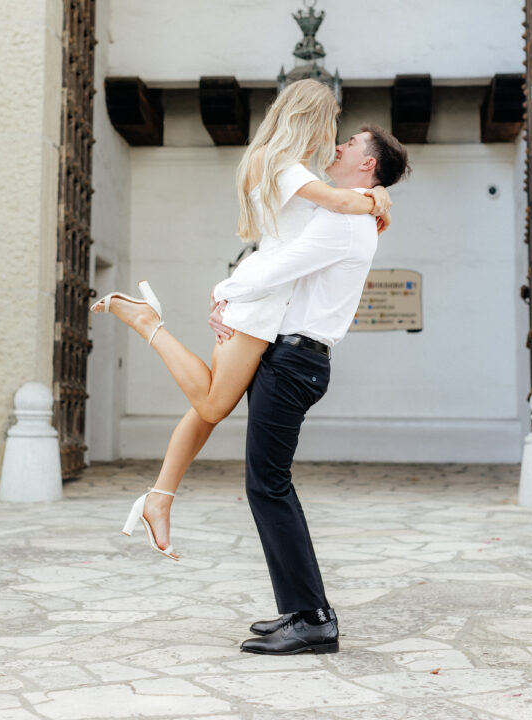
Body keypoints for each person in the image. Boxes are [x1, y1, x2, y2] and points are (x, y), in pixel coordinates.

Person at [90, 80, 391, 559]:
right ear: (310, 120)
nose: (331, 140)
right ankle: (148, 322)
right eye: (330, 127)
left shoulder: (269, 161)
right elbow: (339, 202)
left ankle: (159, 499)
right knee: (211, 405)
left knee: (209, 408)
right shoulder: (284, 166)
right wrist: (378, 199)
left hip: (261, 296)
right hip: (262, 301)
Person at [208, 125, 411, 654]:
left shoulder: (345, 225)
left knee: (268, 484)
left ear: (368, 165)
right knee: (268, 483)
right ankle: (300, 611)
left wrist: (221, 292)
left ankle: (313, 618)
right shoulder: (350, 210)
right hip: (291, 356)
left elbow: (279, 266)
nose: (338, 147)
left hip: (293, 360)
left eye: (350, 145)